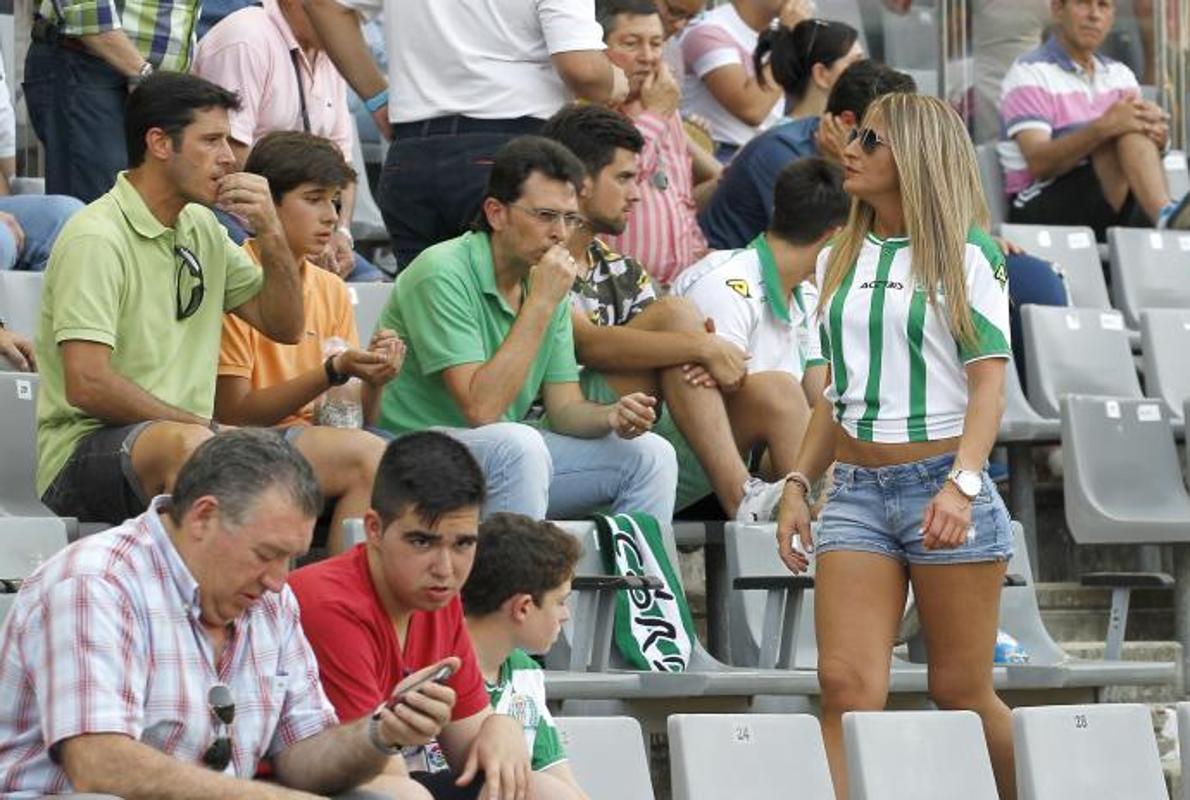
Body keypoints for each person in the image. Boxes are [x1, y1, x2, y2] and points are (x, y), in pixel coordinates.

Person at [775, 94, 1017, 799]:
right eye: (853, 133)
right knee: (844, 688)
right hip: (853, 490)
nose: (850, 145)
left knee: (961, 691)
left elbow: (989, 388)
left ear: (914, 155)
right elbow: (835, 397)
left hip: (944, 485)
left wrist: (962, 484)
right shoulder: (838, 255)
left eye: (871, 138)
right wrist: (797, 483)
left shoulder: (969, 254)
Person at [0, 429, 436, 798]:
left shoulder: (272, 602)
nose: (279, 580)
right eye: (267, 554)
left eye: (291, 558)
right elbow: (98, 762)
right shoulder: (96, 583)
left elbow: (303, 754)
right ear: (203, 516)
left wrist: (381, 733)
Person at [34, 72, 306, 526]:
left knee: (356, 454)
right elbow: (88, 383)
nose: (229, 159)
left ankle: (292, 598)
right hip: (81, 455)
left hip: (185, 436)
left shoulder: (201, 226)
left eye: (229, 141)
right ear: (160, 143)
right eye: (212, 141)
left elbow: (285, 326)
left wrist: (273, 234)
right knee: (195, 451)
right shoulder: (96, 236)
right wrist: (205, 428)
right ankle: (202, 596)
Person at [375, 136, 678, 522]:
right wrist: (540, 304)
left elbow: (565, 408)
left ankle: (639, 583)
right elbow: (481, 410)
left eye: (570, 218)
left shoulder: (543, 281)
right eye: (544, 216)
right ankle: (516, 581)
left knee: (651, 455)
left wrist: (611, 417)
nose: (560, 234)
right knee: (520, 444)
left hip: (499, 452)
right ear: (496, 213)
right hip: (411, 454)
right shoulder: (441, 271)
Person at [542, 102, 805, 520]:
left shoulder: (618, 267)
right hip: (562, 435)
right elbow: (587, 345)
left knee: (779, 393)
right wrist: (699, 346)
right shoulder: (540, 255)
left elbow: (669, 356)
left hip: (639, 428)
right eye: (625, 178)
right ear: (580, 183)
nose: (636, 194)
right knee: (678, 319)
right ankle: (742, 499)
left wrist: (697, 350)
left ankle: (813, 548)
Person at [290, 431, 582, 800]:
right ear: (374, 530)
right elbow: (377, 770)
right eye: (422, 542)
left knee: (546, 794)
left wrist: (500, 727)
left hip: (386, 780)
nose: (445, 569)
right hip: (297, 785)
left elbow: (469, 749)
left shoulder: (438, 601)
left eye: (463, 543)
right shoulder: (331, 604)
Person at [303, 0, 630, 270]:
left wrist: (376, 96)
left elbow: (323, 5)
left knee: (427, 324)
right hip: (512, 156)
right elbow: (583, 68)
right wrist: (614, 80)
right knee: (512, 320)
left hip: (415, 152)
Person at [215, 131, 402, 553]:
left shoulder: (331, 288)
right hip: (244, 442)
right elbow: (235, 412)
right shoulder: (236, 274)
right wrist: (332, 372)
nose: (331, 217)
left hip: (317, 443)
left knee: (422, 464)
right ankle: (338, 601)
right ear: (268, 206)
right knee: (370, 456)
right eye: (313, 198)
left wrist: (374, 377)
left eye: (335, 200)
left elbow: (350, 418)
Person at [674, 157, 849, 482]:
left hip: (765, 458)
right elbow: (707, 406)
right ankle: (828, 525)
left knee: (844, 423)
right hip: (700, 470)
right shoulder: (726, 285)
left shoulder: (808, 297)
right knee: (779, 392)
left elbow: (824, 399)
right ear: (834, 236)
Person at [192, 0, 386, 283]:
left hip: (296, 220)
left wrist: (340, 232)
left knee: (368, 283)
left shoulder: (333, 53)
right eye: (344, 13)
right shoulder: (247, 37)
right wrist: (289, 228)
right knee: (273, 288)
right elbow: (228, 160)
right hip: (230, 214)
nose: (352, 26)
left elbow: (343, 166)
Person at [1000, 0, 1190, 238]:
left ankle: (1166, 217)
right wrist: (1105, 127)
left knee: (1133, 132)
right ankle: (1167, 218)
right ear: (1058, 9)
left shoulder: (1121, 75)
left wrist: (1159, 140)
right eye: (1083, 3)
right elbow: (1039, 163)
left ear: (1112, 17)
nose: (1094, 15)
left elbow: (1138, 147)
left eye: (1103, 6)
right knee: (1121, 134)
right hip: (1039, 202)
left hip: (1110, 199)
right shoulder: (1029, 73)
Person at [699, 47, 882, 252]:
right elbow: (823, 249)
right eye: (880, 139)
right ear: (848, 122)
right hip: (733, 272)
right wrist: (844, 167)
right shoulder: (782, 154)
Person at [458, 514, 588, 798]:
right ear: (523, 607)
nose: (566, 615)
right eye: (561, 602)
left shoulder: (525, 673)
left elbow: (565, 785)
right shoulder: (435, 664)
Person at [25, 0, 201, 202]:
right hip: (93, 61)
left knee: (146, 208)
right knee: (103, 206)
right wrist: (140, 71)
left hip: (151, 80)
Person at [598, 0, 712, 286]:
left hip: (677, 282)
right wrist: (656, 116)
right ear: (599, 50)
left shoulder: (664, 106)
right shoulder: (586, 112)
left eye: (656, 44)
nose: (648, 57)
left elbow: (681, 196)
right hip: (616, 290)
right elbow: (619, 177)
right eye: (631, 43)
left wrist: (698, 257)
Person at [678, 0, 808, 161]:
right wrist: (788, 37)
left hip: (762, 150)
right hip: (717, 152)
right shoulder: (708, 31)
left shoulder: (775, 33)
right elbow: (751, 110)